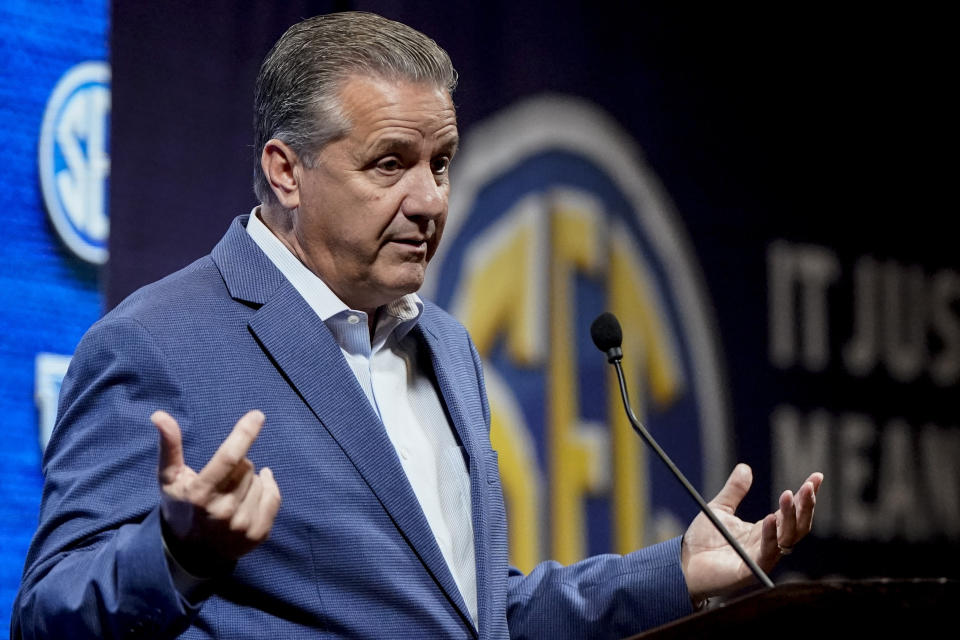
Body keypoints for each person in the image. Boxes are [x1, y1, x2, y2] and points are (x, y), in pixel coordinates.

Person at [12, 11, 822, 640]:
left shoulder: (444, 343)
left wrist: (676, 573)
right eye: (390, 163)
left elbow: (475, 615)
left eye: (441, 163)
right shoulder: (156, 343)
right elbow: (47, 615)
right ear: (285, 170)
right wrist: (177, 554)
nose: (432, 199)